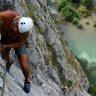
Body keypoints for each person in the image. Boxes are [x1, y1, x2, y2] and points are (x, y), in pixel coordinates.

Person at [0, 10, 33, 93]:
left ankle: (27, 81)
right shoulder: (7, 16)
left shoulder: (26, 32)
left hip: (17, 42)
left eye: (18, 30)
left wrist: (6, 46)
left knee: (24, 65)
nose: (15, 29)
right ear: (18, 21)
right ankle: (9, 62)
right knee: (5, 55)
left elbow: (20, 43)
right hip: (6, 38)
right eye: (16, 26)